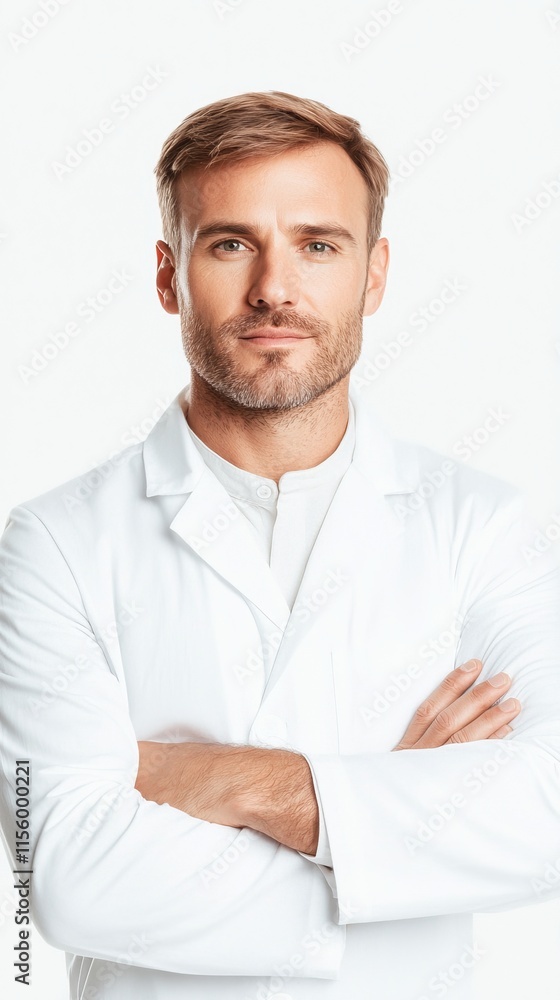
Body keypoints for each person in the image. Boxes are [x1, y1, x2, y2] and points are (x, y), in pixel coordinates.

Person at [0, 90, 559, 1000]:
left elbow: (547, 816)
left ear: (374, 275)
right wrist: (389, 821)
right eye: (229, 243)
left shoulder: (481, 525)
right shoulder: (55, 542)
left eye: (318, 244)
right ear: (167, 275)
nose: (274, 287)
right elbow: (65, 877)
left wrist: (208, 781)